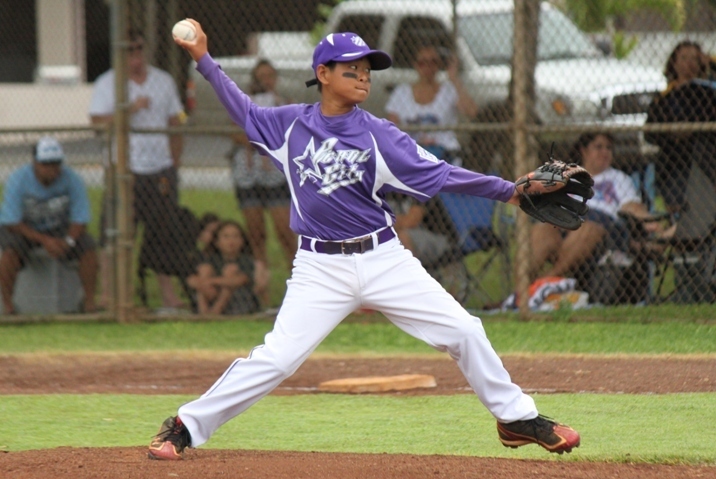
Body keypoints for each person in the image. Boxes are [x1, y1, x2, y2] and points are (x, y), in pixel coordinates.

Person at [148, 23, 580, 461]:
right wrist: (203, 58)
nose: (363, 76)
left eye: (367, 69)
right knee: (277, 359)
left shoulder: (381, 134)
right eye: (351, 68)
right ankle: (185, 427)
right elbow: (240, 108)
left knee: (465, 329)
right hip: (319, 269)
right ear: (323, 73)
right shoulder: (289, 126)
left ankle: (516, 419)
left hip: (383, 259)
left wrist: (508, 190)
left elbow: (443, 174)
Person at [89, 29, 187, 311]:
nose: (135, 56)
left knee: (163, 232)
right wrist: (130, 108)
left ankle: (168, 296)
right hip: (124, 169)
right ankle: (112, 295)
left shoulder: (163, 81)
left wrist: (174, 162)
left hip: (159, 167)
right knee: (115, 231)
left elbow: (175, 121)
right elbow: (97, 122)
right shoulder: (108, 83)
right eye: (129, 50)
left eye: (139, 49)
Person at [528, 132, 664, 281]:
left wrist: (654, 225)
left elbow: (632, 206)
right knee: (541, 230)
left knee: (587, 228)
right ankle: (519, 294)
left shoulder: (618, 178)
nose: (605, 152)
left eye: (609, 148)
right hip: (564, 225)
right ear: (584, 151)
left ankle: (546, 282)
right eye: (598, 147)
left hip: (601, 231)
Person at [0, 137, 98, 314]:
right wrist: (46, 241)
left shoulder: (72, 179)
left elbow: (81, 219)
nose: (52, 169)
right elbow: (11, 222)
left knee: (89, 247)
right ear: (35, 163)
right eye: (46, 164)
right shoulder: (18, 179)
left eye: (56, 163)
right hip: (24, 229)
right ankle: (8, 306)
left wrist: (68, 241)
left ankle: (89, 303)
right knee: (9, 253)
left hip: (59, 228)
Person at [227, 59, 297, 306]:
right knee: (256, 237)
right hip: (249, 174)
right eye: (260, 76)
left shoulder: (283, 103)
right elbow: (235, 133)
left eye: (269, 76)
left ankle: (297, 293)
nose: (265, 81)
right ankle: (262, 295)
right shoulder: (243, 103)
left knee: (286, 234)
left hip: (275, 176)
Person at [646, 40, 716, 213]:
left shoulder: (708, 92)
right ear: (674, 63)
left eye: (694, 58)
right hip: (676, 162)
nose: (689, 63)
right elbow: (649, 132)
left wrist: (712, 64)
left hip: (706, 159)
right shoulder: (664, 97)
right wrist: (673, 134)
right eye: (684, 58)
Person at [385, 44, 478, 166]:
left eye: (433, 62)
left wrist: (454, 79)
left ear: (439, 65)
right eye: (423, 62)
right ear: (415, 65)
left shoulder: (448, 90)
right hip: (412, 153)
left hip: (445, 153)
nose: (428, 67)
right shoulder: (402, 92)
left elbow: (472, 112)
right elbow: (392, 128)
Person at [186, 220, 260, 315]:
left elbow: (241, 280)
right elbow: (191, 280)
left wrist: (212, 281)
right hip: (212, 294)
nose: (231, 241)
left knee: (230, 272)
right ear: (217, 242)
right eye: (226, 237)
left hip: (238, 299)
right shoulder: (210, 260)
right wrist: (205, 283)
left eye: (236, 236)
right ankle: (203, 312)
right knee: (205, 270)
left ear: (242, 241)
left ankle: (214, 313)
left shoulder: (245, 260)